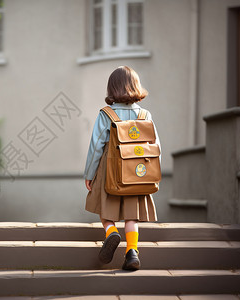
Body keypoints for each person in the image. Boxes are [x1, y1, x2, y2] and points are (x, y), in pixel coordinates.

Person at [83, 66, 161, 271]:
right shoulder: (145, 115)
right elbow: (156, 147)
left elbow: (96, 147)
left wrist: (89, 174)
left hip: (110, 174)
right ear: (136, 86)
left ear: (112, 88)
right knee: (131, 217)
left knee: (105, 213)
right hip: (137, 175)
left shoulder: (105, 115)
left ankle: (110, 233)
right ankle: (132, 252)